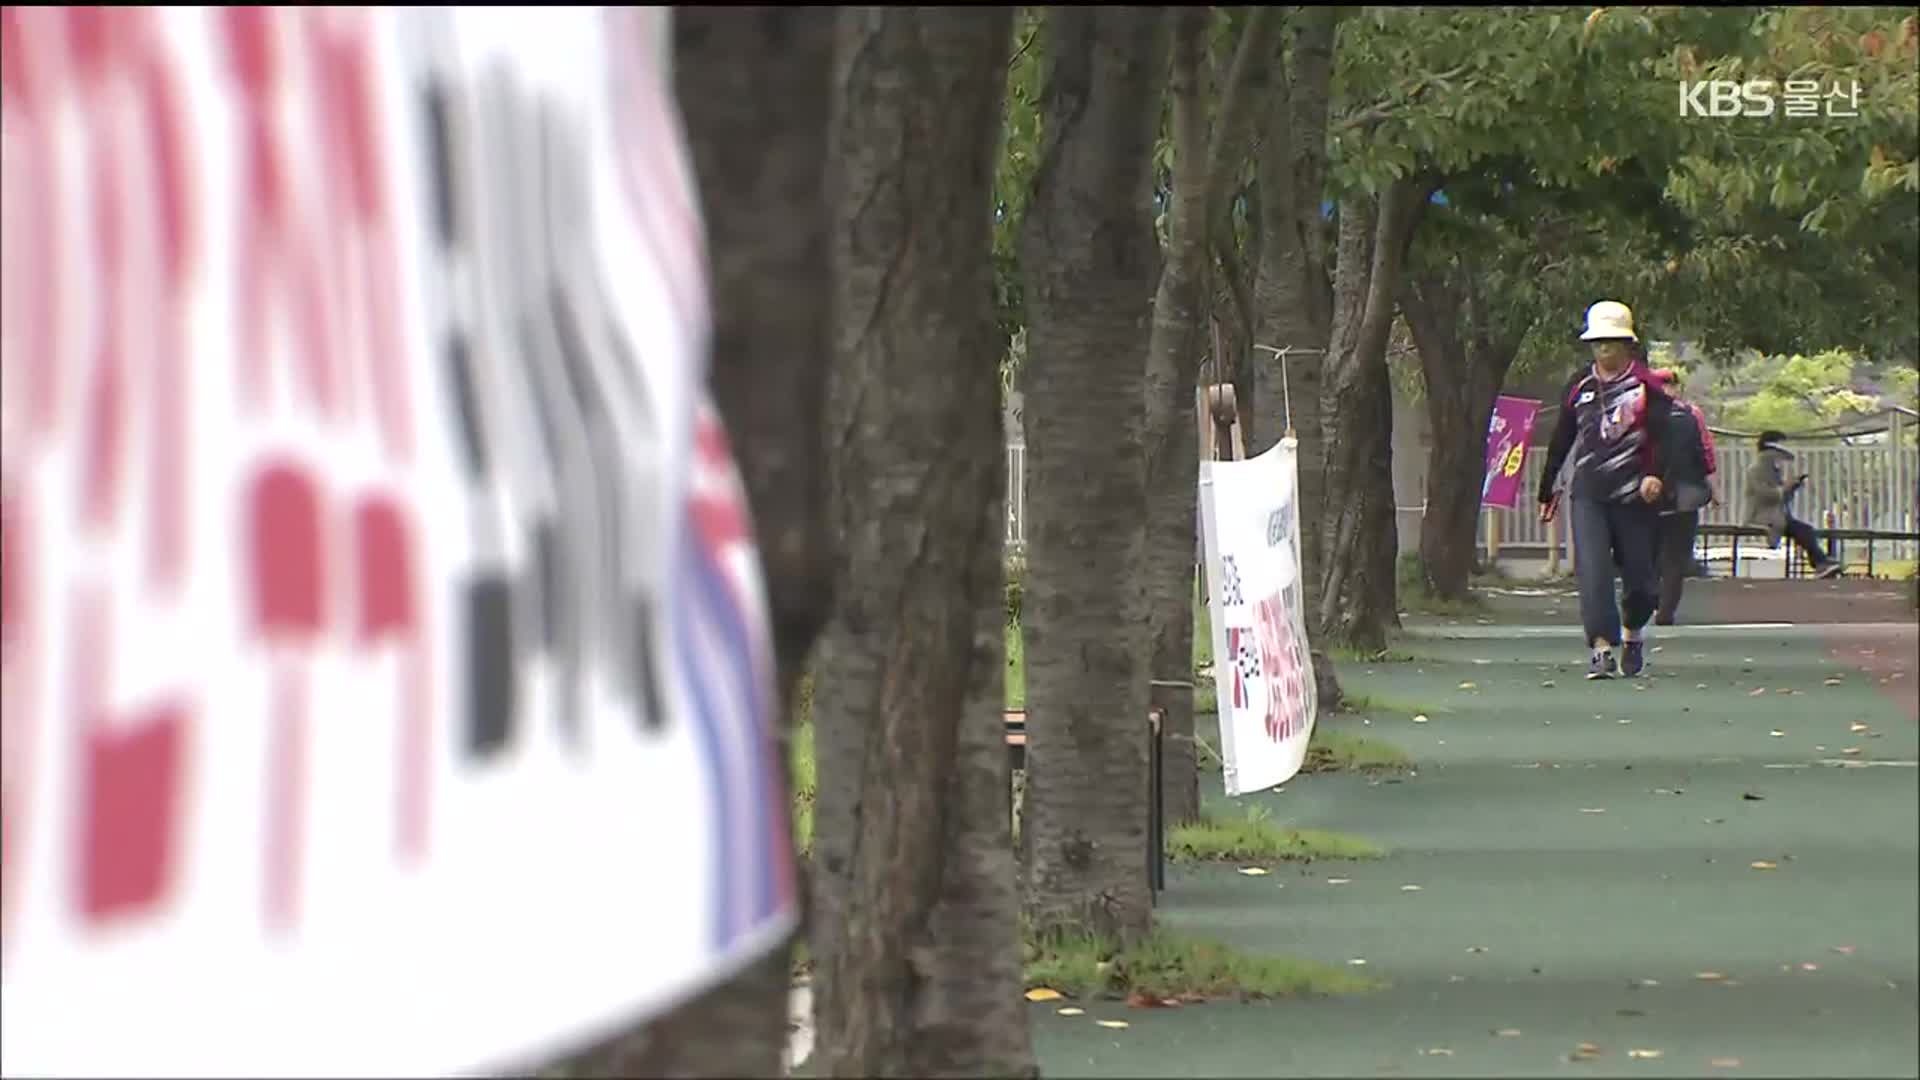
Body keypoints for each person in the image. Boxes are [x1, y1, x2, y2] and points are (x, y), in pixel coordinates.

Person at [1538, 300, 1673, 680]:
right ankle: (1600, 648)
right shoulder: (1578, 386)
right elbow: (1562, 438)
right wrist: (1547, 488)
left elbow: (1668, 441)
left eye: (1612, 342)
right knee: (1593, 571)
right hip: (1590, 494)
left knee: (1642, 582)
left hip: (1636, 496)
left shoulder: (1649, 388)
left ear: (1628, 344)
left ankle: (1633, 635)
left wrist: (1656, 475)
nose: (1604, 350)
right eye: (1598, 343)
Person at [1648, 368, 1718, 623]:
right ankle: (1665, 610)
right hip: (1686, 492)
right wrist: (1713, 488)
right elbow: (1706, 453)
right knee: (1676, 556)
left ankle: (1653, 601)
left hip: (1649, 494)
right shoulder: (1692, 414)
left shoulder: (1640, 412)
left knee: (1650, 550)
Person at [1743, 430, 1843, 579]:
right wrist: (1785, 488)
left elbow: (1781, 498)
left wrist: (1792, 488)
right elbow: (1764, 495)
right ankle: (1820, 563)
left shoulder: (1772, 470)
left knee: (1806, 530)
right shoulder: (1756, 469)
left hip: (1776, 516)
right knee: (1803, 530)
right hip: (1761, 517)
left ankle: (1821, 562)